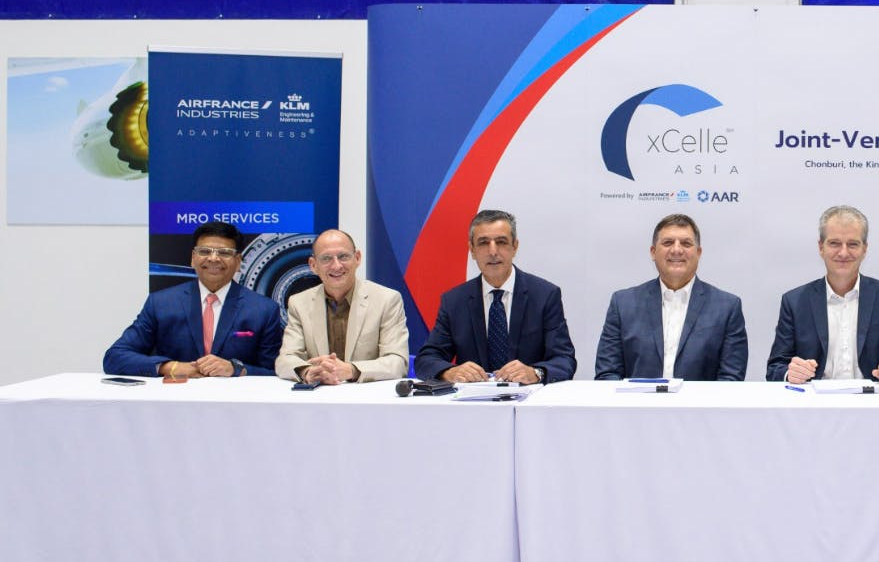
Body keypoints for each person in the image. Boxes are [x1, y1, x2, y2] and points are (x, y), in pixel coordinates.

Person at [103, 220, 285, 378]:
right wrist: (172, 367)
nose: (213, 258)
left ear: (238, 262)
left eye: (224, 253)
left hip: (235, 407)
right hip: (175, 405)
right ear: (193, 258)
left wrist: (236, 369)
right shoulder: (161, 304)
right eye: (205, 251)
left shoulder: (263, 309)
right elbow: (115, 357)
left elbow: (274, 371)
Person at [414, 209, 576, 384]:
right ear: (472, 250)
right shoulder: (454, 301)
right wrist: (450, 372)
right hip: (473, 405)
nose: (493, 251)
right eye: (483, 243)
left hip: (529, 404)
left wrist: (536, 373)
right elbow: (426, 360)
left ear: (515, 247)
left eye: (501, 242)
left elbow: (564, 359)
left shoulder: (544, 295)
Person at [766, 205, 879, 383]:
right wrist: (790, 373)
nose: (843, 252)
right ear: (821, 247)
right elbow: (775, 368)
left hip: (875, 403)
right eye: (834, 243)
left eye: (853, 244)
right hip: (813, 405)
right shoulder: (794, 302)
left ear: (865, 249)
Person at [594, 214, 748, 381]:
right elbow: (607, 374)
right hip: (637, 406)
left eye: (686, 243)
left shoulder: (727, 308)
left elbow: (730, 380)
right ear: (653, 252)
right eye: (667, 243)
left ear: (698, 253)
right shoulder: (623, 304)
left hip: (701, 407)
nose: (676, 250)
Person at [275, 229, 410, 383]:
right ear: (313, 265)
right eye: (326, 258)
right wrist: (308, 371)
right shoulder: (299, 303)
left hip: (367, 398)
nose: (336, 266)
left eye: (343, 256)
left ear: (357, 258)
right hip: (318, 397)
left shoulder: (387, 299)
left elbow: (398, 363)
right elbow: (285, 360)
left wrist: (351, 370)